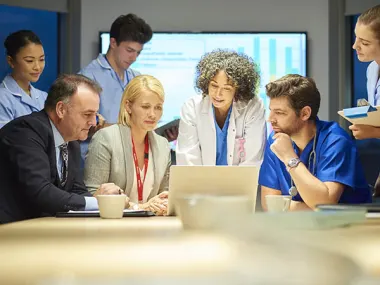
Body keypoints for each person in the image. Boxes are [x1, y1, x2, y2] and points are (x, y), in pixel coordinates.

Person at [0, 74, 122, 224]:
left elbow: (77, 190)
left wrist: (107, 203)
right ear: (61, 109)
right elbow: (41, 192)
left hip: (39, 230)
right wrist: (98, 203)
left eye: (95, 115)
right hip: (9, 232)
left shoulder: (71, 142)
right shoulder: (25, 132)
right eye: (87, 114)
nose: (93, 122)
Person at [259, 74, 372, 211]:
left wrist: (290, 158)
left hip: (347, 229)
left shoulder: (335, 141)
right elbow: (269, 205)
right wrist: (311, 208)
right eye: (271, 111)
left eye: (279, 113)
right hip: (297, 229)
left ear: (305, 113)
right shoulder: (275, 140)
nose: (270, 119)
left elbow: (325, 204)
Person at [84, 75, 170, 216]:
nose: (153, 114)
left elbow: (165, 194)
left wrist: (164, 203)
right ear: (128, 106)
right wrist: (139, 207)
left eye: (158, 107)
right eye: (145, 107)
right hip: (113, 227)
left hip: (153, 228)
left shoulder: (163, 145)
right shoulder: (106, 138)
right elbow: (93, 196)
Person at [78, 14, 153, 166]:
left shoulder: (136, 78)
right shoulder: (88, 77)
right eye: (129, 50)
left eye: (138, 52)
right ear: (113, 42)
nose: (134, 58)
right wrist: (127, 131)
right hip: (97, 162)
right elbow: (80, 125)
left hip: (130, 163)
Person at [176, 49, 266, 166]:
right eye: (214, 85)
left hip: (240, 182)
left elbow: (252, 160)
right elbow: (188, 159)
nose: (218, 94)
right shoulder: (192, 107)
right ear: (206, 82)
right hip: (200, 182)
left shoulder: (253, 107)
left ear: (238, 89)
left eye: (227, 88)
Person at [351, 5, 380, 195]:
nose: (355, 46)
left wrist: (373, 132)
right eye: (356, 38)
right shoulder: (372, 70)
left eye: (365, 42)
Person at [0, 30, 47, 128]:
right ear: (11, 61)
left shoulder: (44, 97)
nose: (37, 67)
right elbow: (5, 140)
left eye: (41, 59)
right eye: (29, 61)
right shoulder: (3, 98)